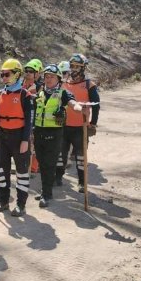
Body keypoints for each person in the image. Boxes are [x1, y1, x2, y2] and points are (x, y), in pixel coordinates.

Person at [33, 64, 85, 208]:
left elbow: (72, 102)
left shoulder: (62, 93)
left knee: (49, 163)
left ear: (58, 79)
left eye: (51, 76)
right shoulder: (40, 92)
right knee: (42, 164)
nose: (48, 79)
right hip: (39, 132)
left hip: (54, 133)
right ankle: (45, 190)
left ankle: (46, 194)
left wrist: (78, 107)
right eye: (46, 76)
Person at [0, 59, 33, 216]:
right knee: (2, 170)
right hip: (3, 136)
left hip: (19, 135)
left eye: (7, 74)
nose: (4, 77)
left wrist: (25, 141)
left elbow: (29, 120)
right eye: (2, 75)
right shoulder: (1, 94)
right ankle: (3, 201)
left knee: (21, 172)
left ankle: (21, 204)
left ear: (17, 74)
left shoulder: (25, 95)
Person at [55, 54, 100, 192]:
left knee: (80, 156)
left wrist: (92, 123)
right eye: (72, 66)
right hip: (64, 126)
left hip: (81, 127)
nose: (73, 69)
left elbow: (96, 105)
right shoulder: (64, 83)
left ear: (83, 68)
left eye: (77, 66)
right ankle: (57, 178)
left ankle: (81, 182)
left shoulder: (89, 85)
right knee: (61, 155)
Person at [24, 58, 44, 177]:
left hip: (35, 118)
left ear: (37, 73)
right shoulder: (23, 83)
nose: (27, 73)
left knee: (33, 144)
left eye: (31, 71)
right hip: (24, 117)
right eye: (26, 70)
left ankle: (33, 167)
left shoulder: (40, 86)